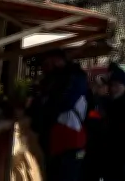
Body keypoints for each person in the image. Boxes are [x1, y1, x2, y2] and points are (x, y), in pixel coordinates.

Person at [28, 49, 89, 181]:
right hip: (54, 141)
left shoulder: (75, 78)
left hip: (71, 139)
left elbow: (61, 103)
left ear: (58, 60)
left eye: (48, 63)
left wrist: (43, 101)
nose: (45, 67)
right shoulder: (51, 80)